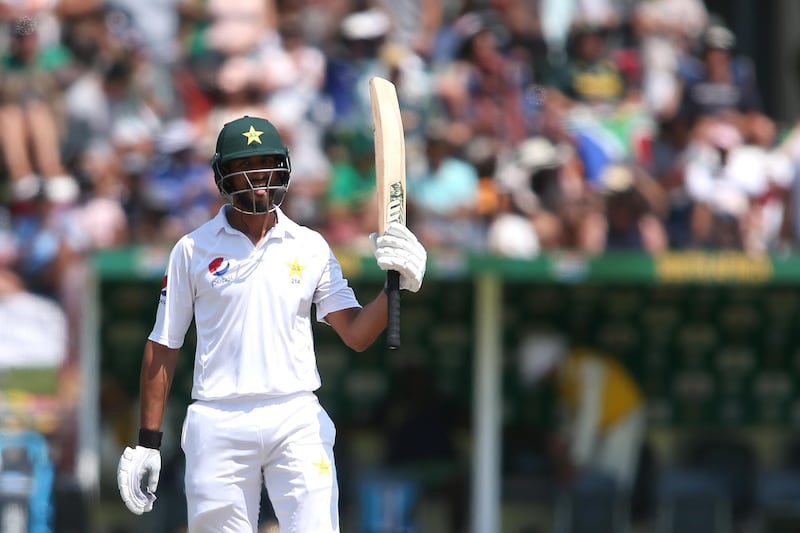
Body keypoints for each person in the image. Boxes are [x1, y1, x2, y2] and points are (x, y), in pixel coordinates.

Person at [115, 115, 427, 532]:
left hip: (294, 414)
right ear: (223, 175)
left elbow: (354, 333)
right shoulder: (191, 249)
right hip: (218, 416)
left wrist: (397, 288)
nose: (258, 177)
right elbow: (163, 343)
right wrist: (148, 442)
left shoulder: (310, 245)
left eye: (266, 164)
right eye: (245, 166)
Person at [518, 332, 646, 492]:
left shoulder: (585, 366)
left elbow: (589, 415)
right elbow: (571, 416)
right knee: (589, 476)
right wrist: (561, 439)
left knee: (609, 476)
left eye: (543, 376)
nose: (545, 382)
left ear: (550, 365)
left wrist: (575, 460)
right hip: (602, 426)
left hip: (622, 419)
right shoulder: (564, 380)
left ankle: (613, 514)